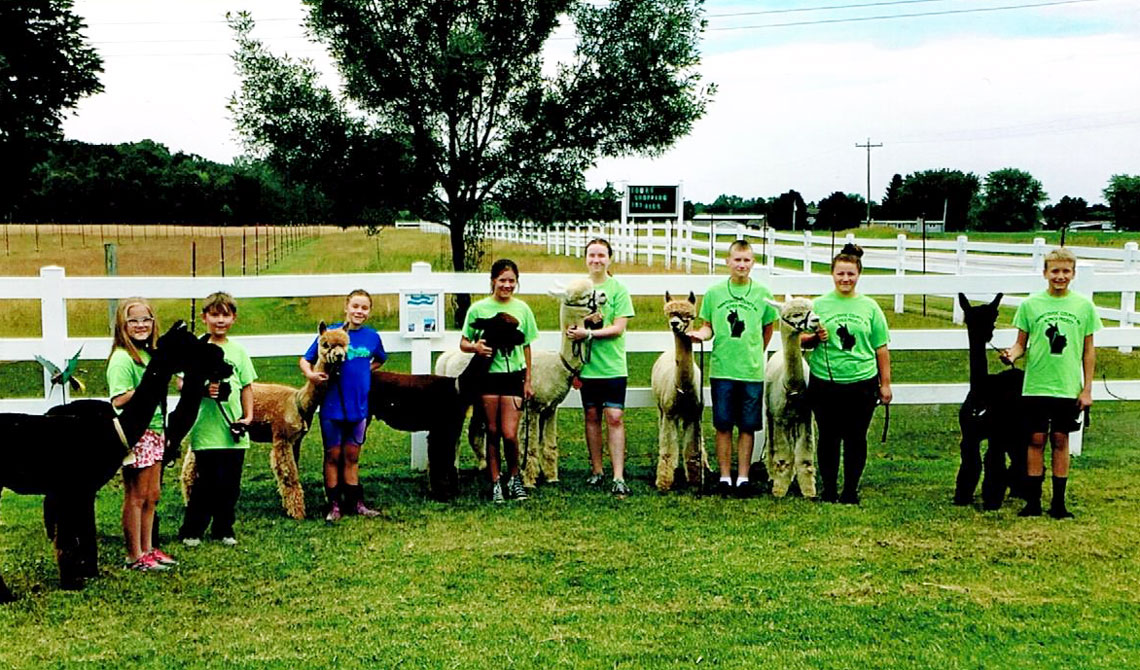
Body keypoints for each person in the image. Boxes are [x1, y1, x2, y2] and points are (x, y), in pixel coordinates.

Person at [1001, 247, 1101, 519]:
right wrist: (1011, 354)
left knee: (1060, 438)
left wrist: (1087, 388)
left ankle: (1058, 502)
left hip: (1067, 386)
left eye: (1065, 271)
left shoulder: (1084, 307)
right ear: (1045, 273)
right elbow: (1021, 344)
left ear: (1073, 274)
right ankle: (1032, 501)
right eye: (1055, 271)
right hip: (1036, 385)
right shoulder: (1030, 305)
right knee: (1035, 439)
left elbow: (1088, 350)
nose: (1060, 276)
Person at [801, 243, 891, 504]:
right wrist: (815, 338)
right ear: (832, 274)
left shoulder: (870, 308)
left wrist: (885, 384)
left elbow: (881, 347)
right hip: (825, 382)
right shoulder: (818, 305)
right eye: (840, 273)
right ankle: (829, 489)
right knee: (828, 436)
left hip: (861, 382)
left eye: (850, 274)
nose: (845, 279)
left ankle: (850, 489)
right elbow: (802, 341)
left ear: (858, 275)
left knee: (855, 438)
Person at [688, 239, 778, 497]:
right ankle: (725, 475)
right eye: (737, 260)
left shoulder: (762, 294)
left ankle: (744, 477)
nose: (741, 265)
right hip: (722, 369)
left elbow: (768, 327)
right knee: (724, 423)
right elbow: (708, 325)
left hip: (750, 371)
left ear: (753, 263)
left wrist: (756, 351)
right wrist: (701, 336)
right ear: (728, 262)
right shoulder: (715, 294)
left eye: (746, 260)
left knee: (748, 425)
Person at [300, 289, 387, 522]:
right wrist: (311, 375)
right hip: (333, 404)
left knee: (352, 455)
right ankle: (334, 504)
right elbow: (306, 358)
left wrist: (365, 371)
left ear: (369, 311)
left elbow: (380, 358)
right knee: (333, 454)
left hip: (358, 405)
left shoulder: (372, 337)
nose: (359, 311)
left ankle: (355, 502)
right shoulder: (332, 333)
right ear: (346, 307)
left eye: (364, 308)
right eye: (355, 306)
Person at [178, 292, 256, 546]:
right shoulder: (195, 350)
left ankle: (224, 528)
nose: (220, 320)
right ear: (204, 318)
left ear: (233, 318)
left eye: (225, 315)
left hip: (233, 426)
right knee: (206, 481)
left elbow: (246, 385)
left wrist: (248, 416)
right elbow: (181, 382)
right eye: (214, 314)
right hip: (206, 426)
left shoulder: (239, 351)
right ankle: (193, 529)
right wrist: (201, 389)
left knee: (230, 483)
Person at [107, 298, 177, 572]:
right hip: (136, 433)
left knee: (152, 494)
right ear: (123, 325)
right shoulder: (122, 359)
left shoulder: (151, 355)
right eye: (133, 320)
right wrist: (148, 386)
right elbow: (119, 399)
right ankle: (133, 554)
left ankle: (148, 548)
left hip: (157, 427)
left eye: (145, 319)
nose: (140, 325)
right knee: (136, 495)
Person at [460, 259, 538, 504]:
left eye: (511, 281)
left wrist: (528, 380)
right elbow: (463, 343)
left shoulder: (523, 310)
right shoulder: (478, 309)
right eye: (502, 280)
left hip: (513, 375)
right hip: (488, 377)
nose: (507, 285)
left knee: (509, 433)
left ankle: (515, 478)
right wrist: (476, 347)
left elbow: (526, 346)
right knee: (492, 430)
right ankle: (495, 481)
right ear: (493, 281)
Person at [566, 238, 636, 497]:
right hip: (587, 366)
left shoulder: (618, 289)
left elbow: (618, 328)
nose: (596, 260)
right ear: (586, 258)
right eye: (592, 255)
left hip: (613, 366)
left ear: (609, 258)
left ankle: (618, 475)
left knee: (614, 417)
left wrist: (590, 335)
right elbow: (570, 320)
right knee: (592, 416)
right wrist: (574, 332)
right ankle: (597, 470)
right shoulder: (577, 289)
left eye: (601, 255)